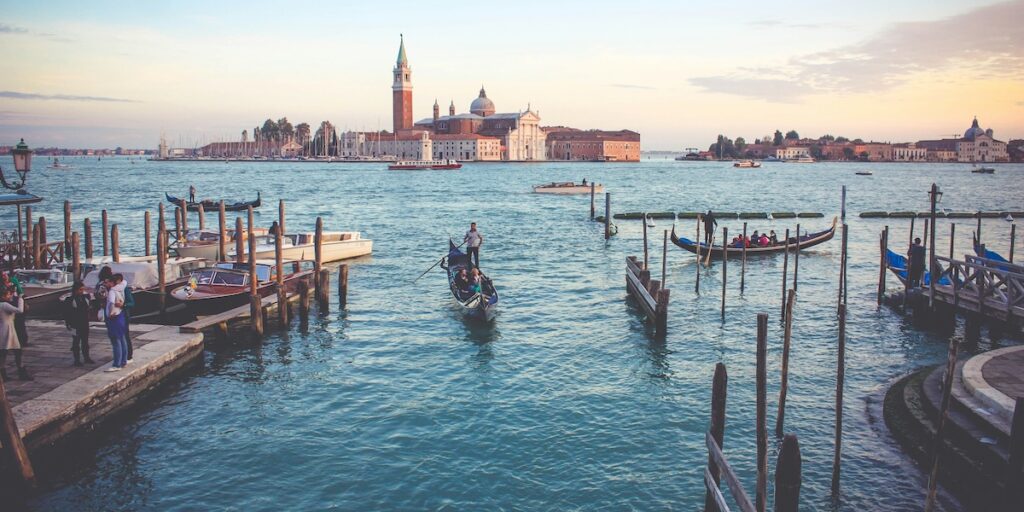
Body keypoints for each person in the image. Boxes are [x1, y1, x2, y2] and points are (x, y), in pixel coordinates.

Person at [0, 286, 30, 381]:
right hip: (8, 329)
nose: (10, 296)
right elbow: (19, 310)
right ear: (3, 296)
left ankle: (3, 373)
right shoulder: (4, 304)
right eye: (8, 294)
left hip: (5, 328)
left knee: (3, 353)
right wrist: (21, 299)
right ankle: (21, 372)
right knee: (16, 351)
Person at [63, 280, 94, 366]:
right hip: (75, 323)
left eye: (82, 289)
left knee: (85, 341)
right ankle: (77, 360)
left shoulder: (86, 297)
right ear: (75, 290)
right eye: (80, 289)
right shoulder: (70, 299)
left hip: (84, 322)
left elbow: (89, 308)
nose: (82, 291)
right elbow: (66, 313)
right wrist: (68, 324)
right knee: (76, 342)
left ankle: (86, 357)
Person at [103, 275, 128, 372]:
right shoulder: (122, 288)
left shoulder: (112, 291)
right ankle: (123, 361)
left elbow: (111, 303)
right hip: (120, 315)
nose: (106, 284)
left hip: (114, 317)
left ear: (112, 283)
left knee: (115, 341)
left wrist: (109, 313)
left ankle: (117, 364)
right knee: (122, 338)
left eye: (108, 282)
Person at [2, 272, 27, 347]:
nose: (4, 277)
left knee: (20, 322)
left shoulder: (13, 280)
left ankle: (22, 340)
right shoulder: (2, 284)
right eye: (2, 276)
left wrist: (21, 298)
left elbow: (20, 291)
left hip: (15, 301)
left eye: (5, 274)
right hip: (8, 303)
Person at [118, 274, 135, 362]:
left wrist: (123, 305)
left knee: (126, 336)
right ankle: (122, 354)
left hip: (124, 315)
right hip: (117, 317)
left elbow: (132, 303)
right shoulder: (115, 290)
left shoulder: (125, 289)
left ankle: (129, 356)